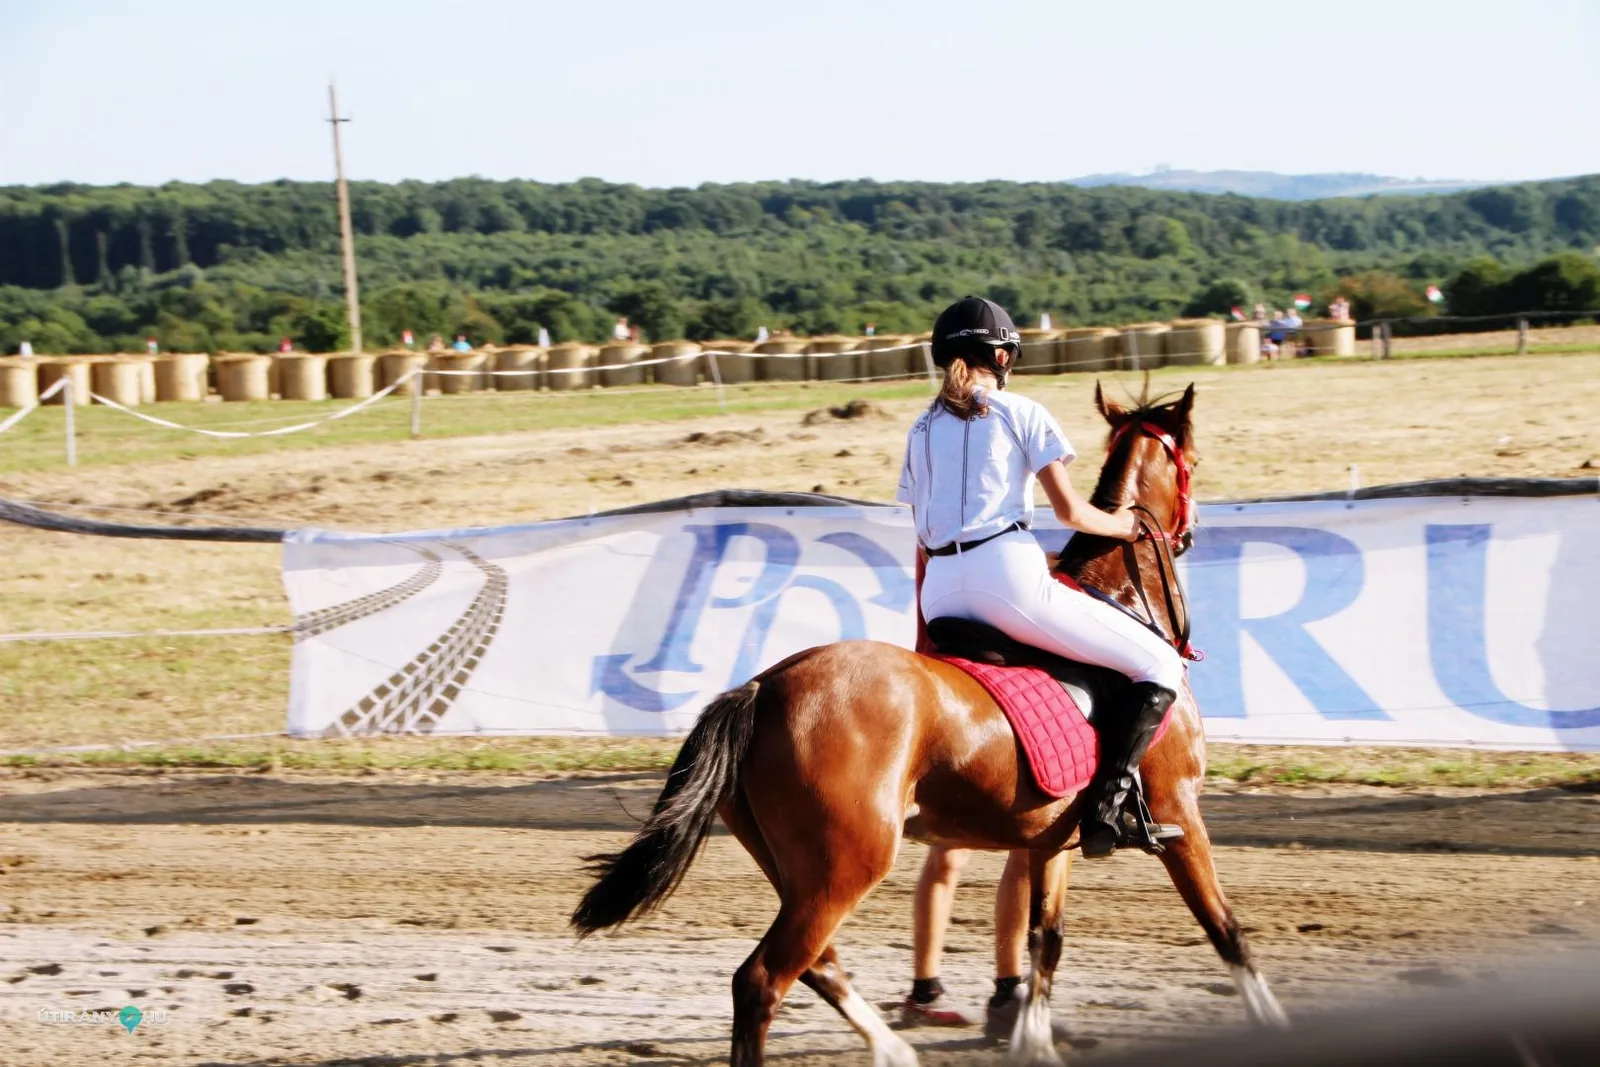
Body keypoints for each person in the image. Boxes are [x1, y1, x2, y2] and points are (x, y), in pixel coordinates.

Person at [895, 295, 1187, 1028]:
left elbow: (928, 528)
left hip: (943, 593)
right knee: (1158, 665)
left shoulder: (922, 426)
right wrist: (1132, 526)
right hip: (1005, 577)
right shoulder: (1024, 413)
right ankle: (1111, 807)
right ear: (1004, 356)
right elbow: (1076, 519)